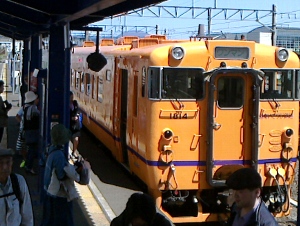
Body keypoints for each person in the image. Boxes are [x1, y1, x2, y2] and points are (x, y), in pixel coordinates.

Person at [42, 123, 76, 226]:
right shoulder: (59, 155)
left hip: (49, 192)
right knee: (63, 221)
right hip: (59, 196)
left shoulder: (51, 150)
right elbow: (61, 175)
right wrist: (74, 172)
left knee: (49, 220)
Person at [0, 148, 33, 226]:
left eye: (8, 162)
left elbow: (27, 216)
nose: (5, 167)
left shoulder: (18, 182)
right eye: (0, 163)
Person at [23, 91, 40, 175]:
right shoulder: (33, 108)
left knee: (30, 149)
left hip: (28, 132)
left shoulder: (26, 107)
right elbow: (39, 116)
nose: (38, 100)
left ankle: (27, 165)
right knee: (32, 150)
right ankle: (29, 167)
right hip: (33, 132)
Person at [70, 91, 81, 158]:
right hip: (69, 123)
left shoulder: (75, 103)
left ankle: (74, 151)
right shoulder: (65, 103)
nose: (71, 98)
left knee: (76, 139)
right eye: (70, 97)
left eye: (72, 97)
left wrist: (77, 115)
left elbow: (78, 110)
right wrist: (71, 118)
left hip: (75, 125)